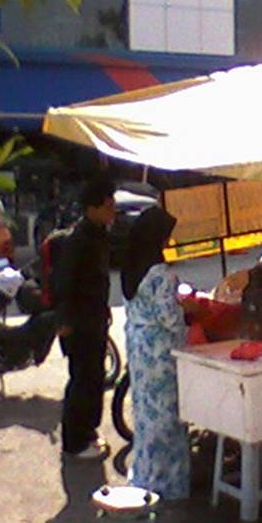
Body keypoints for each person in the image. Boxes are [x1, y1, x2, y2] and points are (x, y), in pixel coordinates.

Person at [121, 205, 191, 499]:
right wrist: (188, 313)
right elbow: (171, 320)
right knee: (166, 419)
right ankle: (167, 483)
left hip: (138, 347)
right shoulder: (160, 274)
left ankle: (145, 472)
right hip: (160, 352)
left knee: (145, 413)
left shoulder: (131, 267)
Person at [55, 177, 116, 459]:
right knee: (81, 380)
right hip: (79, 323)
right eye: (108, 203)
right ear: (93, 207)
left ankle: (89, 432)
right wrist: (65, 321)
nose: (113, 208)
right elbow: (65, 284)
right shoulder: (78, 240)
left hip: (95, 319)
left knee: (95, 378)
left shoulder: (99, 234)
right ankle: (74, 442)